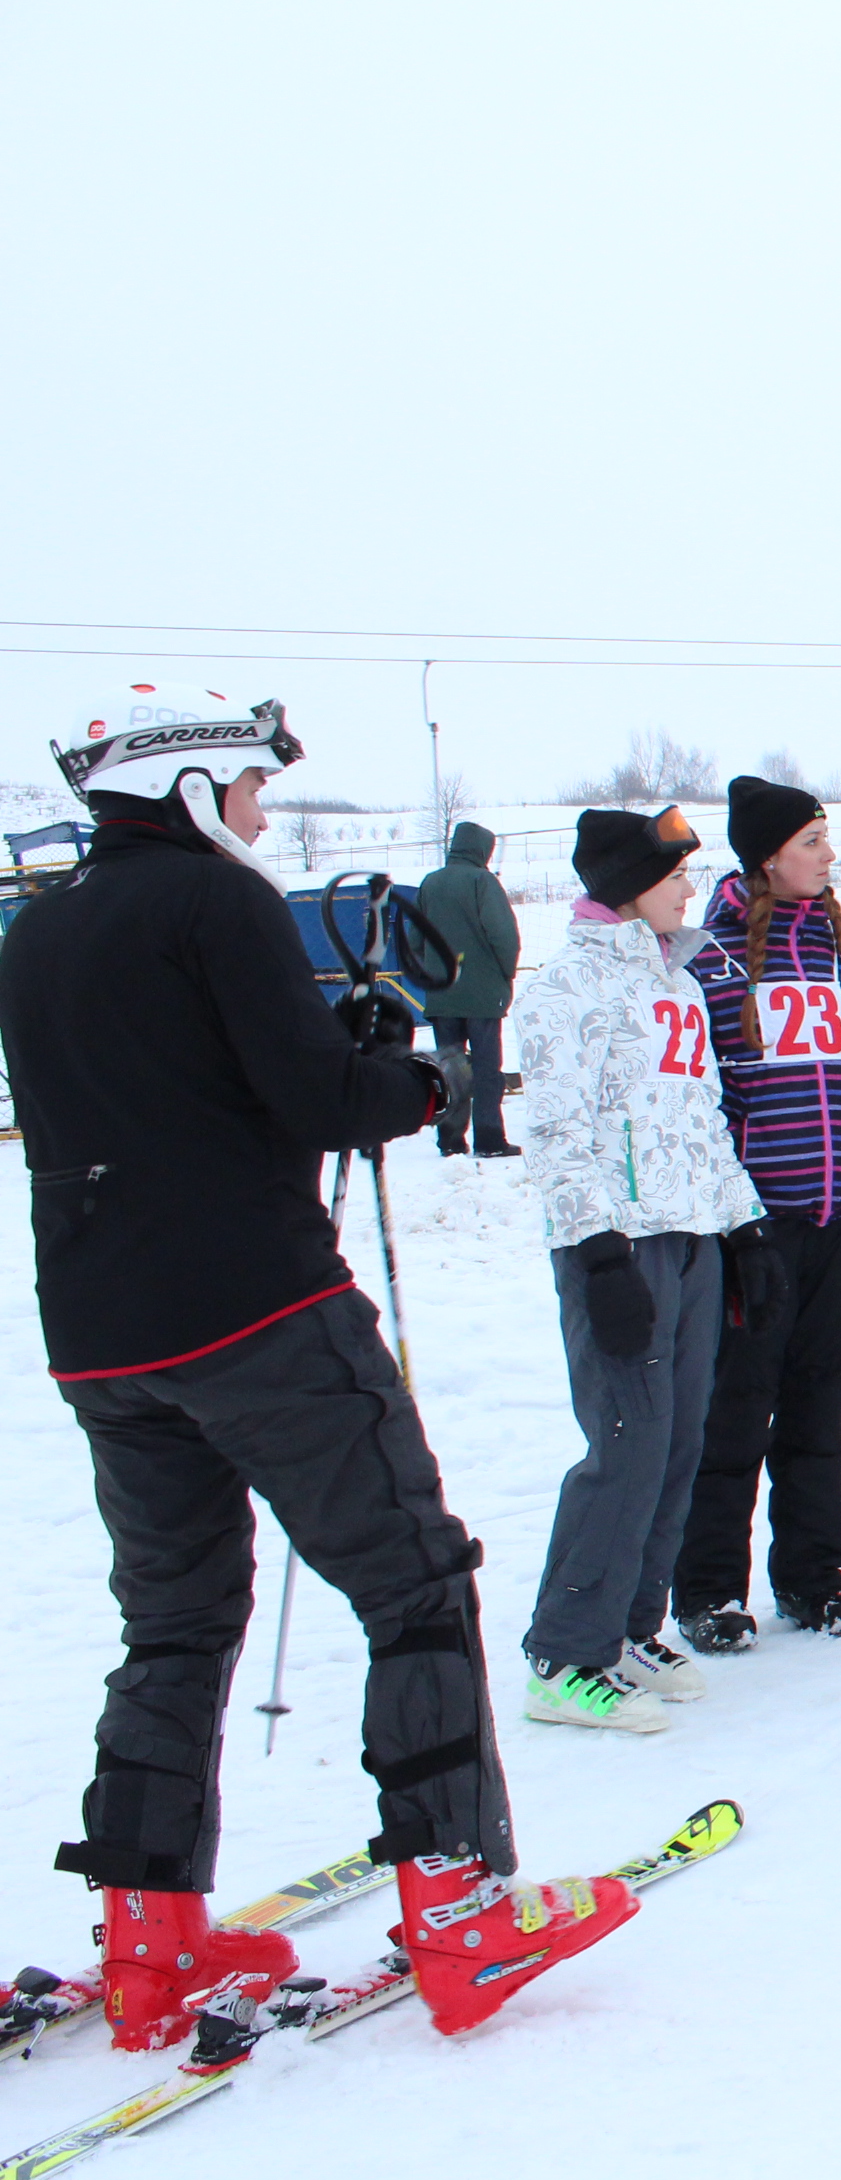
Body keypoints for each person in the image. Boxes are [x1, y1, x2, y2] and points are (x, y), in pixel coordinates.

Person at [0, 688, 630, 2044]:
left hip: (102, 1338)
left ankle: (149, 1935)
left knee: (174, 1623)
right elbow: (318, 1097)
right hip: (258, 1310)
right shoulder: (213, 903)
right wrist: (415, 1079)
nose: (260, 811)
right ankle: (460, 1904)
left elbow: (167, 1089)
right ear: (190, 785)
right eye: (249, 788)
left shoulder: (40, 927)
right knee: (414, 1582)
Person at [516, 805, 763, 1732]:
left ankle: (626, 1627)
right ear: (628, 887)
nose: (691, 889)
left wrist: (744, 1229)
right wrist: (597, 1251)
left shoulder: (679, 984)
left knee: (678, 1439)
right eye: (675, 876)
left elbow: (703, 1118)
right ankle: (564, 1654)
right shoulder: (565, 989)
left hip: (692, 1237)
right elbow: (556, 1133)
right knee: (626, 1441)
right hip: (618, 1249)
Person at [671, 777, 841, 1649]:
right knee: (735, 1409)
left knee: (819, 1405)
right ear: (768, 856)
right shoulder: (712, 957)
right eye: (812, 841)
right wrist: (739, 1202)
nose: (829, 855)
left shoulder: (840, 951)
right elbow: (705, 1091)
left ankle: (811, 1576)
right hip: (757, 1230)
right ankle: (708, 1590)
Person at [414, 819, 521, 1158]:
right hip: (483, 995)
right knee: (487, 1070)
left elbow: (415, 939)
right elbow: (503, 935)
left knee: (449, 1069)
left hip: (442, 994)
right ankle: (489, 1140)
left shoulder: (430, 883)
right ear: (481, 849)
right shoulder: (482, 881)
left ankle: (450, 1141)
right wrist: (505, 974)